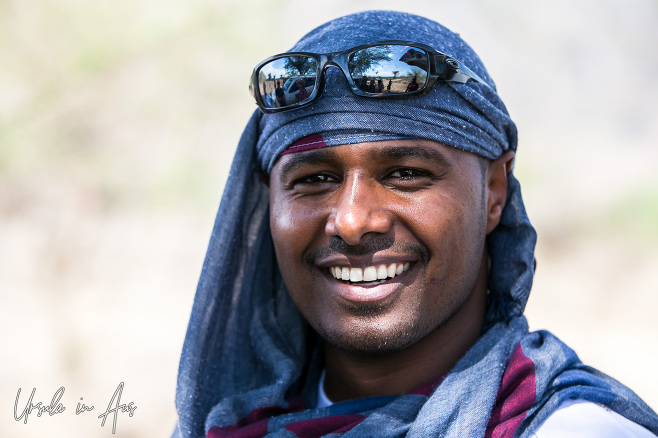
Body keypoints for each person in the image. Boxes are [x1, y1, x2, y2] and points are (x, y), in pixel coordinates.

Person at [173, 10, 658, 438]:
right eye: (315, 178)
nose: (353, 220)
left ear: (494, 191)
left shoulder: (571, 428)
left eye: (405, 174)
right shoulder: (219, 425)